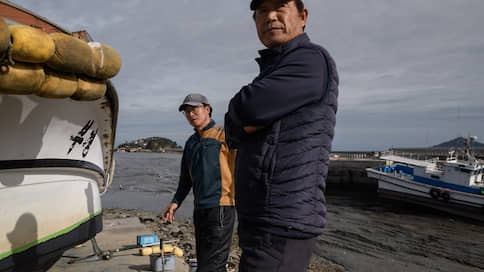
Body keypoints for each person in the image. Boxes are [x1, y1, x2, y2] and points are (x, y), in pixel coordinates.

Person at [224, 0, 339, 271]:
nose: (271, 17)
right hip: (267, 219)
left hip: (281, 220)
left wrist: (241, 118)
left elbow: (247, 108)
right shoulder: (277, 66)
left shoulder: (310, 59)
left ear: (303, 16)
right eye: (262, 11)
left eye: (280, 7)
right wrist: (240, 122)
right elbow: (235, 129)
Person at [163, 93, 236, 272]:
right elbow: (185, 179)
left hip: (221, 207)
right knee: (205, 262)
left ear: (207, 109)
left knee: (214, 265)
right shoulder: (191, 142)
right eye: (187, 111)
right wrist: (175, 202)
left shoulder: (224, 133)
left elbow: (246, 165)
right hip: (200, 209)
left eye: (194, 109)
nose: (190, 114)